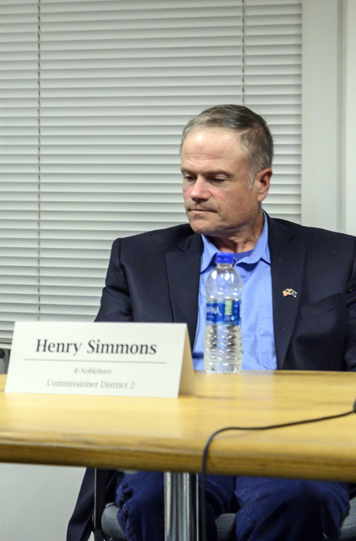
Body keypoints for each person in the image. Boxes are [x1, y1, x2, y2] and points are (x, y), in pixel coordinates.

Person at [66, 104, 356, 541]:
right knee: (155, 500)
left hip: (292, 443)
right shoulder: (138, 260)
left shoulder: (335, 259)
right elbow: (105, 369)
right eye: (188, 176)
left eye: (216, 179)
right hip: (177, 446)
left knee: (298, 499)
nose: (196, 192)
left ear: (262, 183)